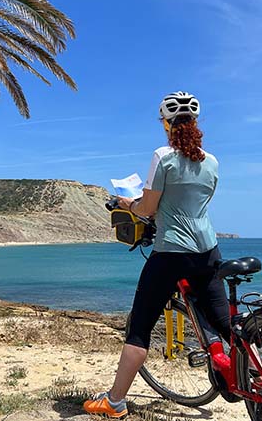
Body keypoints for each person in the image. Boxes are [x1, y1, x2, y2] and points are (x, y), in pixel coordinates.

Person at [84, 91, 230, 418]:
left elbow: (148, 209)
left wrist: (128, 203)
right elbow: (197, 204)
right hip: (208, 250)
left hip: (171, 252)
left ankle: (115, 402)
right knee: (225, 323)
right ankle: (248, 372)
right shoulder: (212, 162)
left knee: (140, 328)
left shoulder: (163, 156)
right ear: (195, 122)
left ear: (166, 124)